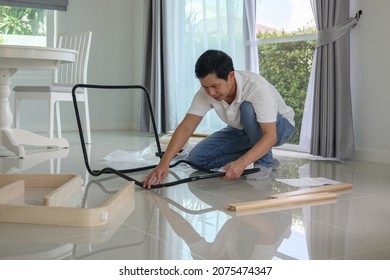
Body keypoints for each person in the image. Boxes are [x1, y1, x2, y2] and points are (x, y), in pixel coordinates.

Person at [143, 49, 295, 189]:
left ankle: (264, 162)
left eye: (215, 86)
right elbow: (187, 127)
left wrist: (242, 163)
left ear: (231, 75)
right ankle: (259, 151)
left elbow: (270, 135)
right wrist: (164, 163)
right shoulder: (207, 92)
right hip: (242, 129)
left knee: (247, 108)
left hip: (279, 128)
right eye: (205, 86)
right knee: (197, 159)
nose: (210, 92)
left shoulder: (255, 86)